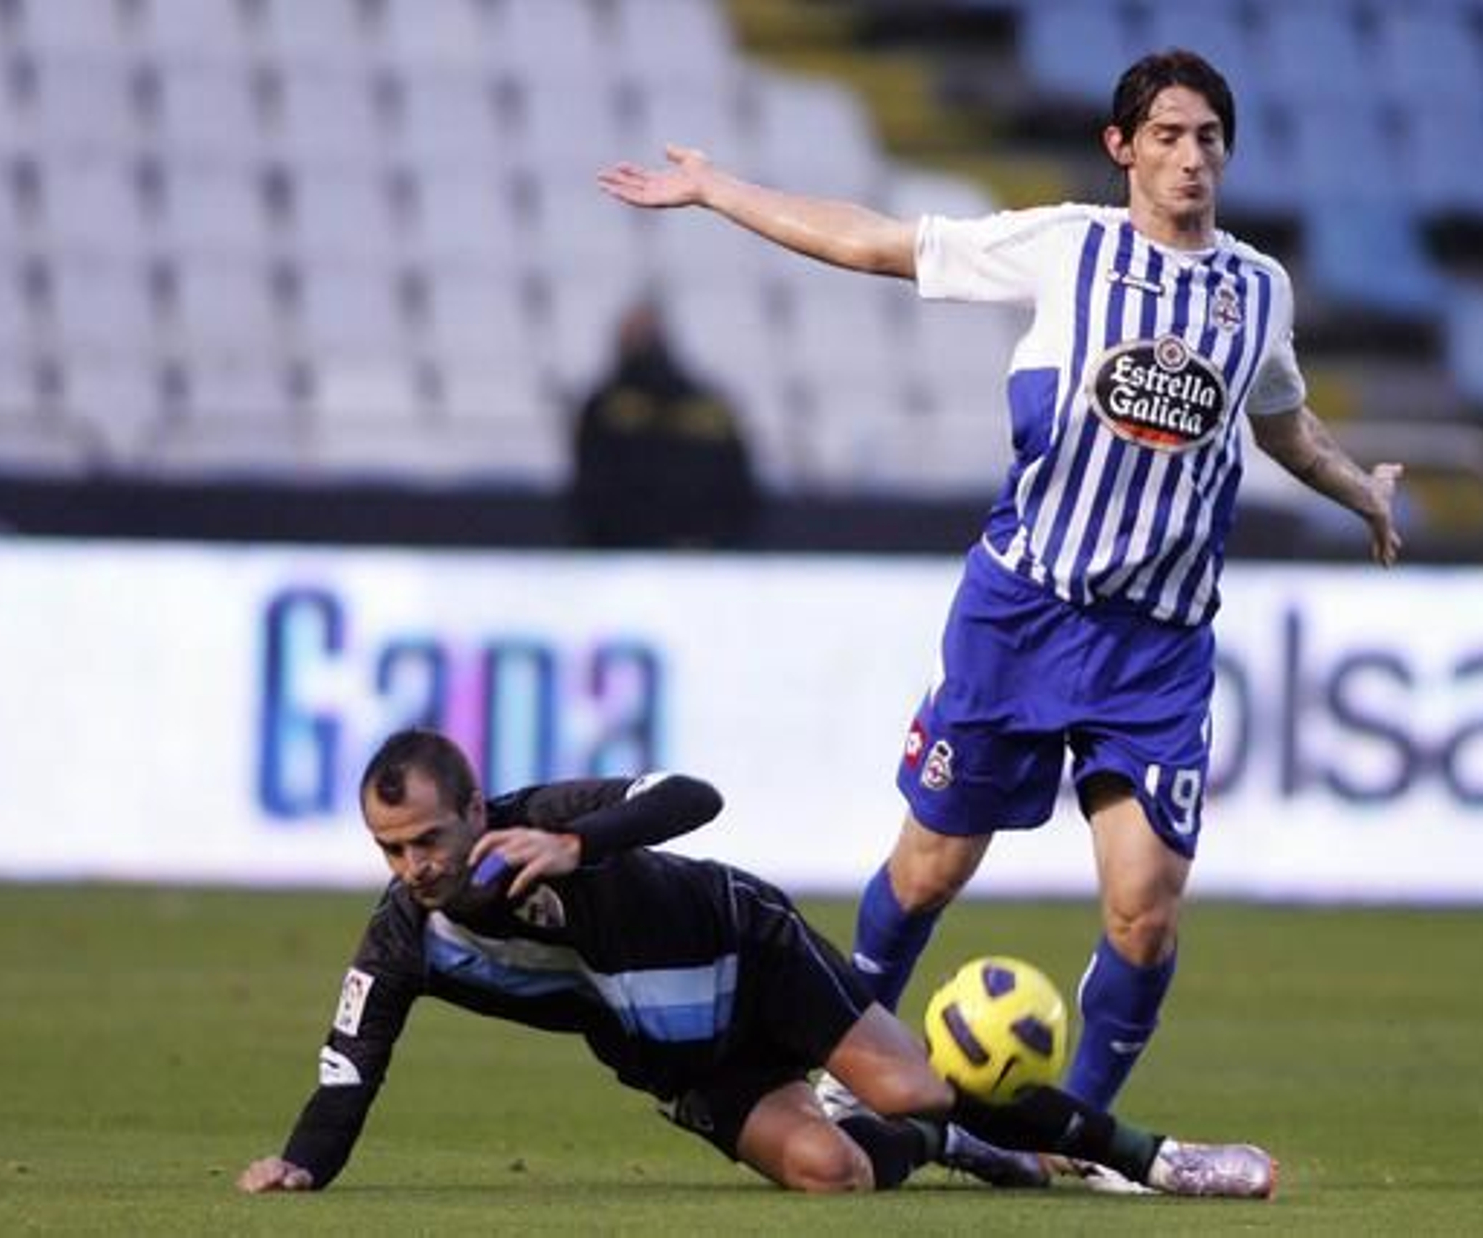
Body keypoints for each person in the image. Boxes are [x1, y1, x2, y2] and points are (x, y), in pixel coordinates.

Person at [596, 47, 1402, 1120]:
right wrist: (717, 189)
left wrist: (1362, 490)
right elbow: (877, 242)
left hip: (1156, 646)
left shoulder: (1258, 289)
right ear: (1121, 147)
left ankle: (1071, 1133)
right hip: (1021, 613)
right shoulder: (1066, 248)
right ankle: (838, 1076)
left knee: (1145, 914)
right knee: (927, 869)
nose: (1189, 158)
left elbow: (1279, 421)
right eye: (1165, 135)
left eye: (1206, 137)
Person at [238, 727, 1275, 1198]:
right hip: (683, 1056)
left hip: (748, 945)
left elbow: (692, 793)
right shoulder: (406, 936)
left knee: (914, 1078)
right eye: (392, 848)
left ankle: (1148, 1156)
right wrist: (304, 1162)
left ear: (471, 808)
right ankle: (958, 1146)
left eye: (426, 836)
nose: (413, 863)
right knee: (837, 1170)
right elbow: (350, 1053)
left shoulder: (543, 820)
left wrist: (582, 842)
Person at [570, 297, 760, 549]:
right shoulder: (603, 407)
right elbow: (591, 486)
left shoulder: (708, 407)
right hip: (628, 552)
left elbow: (737, 485)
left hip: (698, 553)